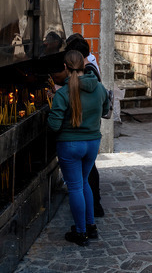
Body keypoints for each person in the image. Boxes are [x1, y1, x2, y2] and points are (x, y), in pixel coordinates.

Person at [47, 49, 109, 246]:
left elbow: (54, 125)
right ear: (84, 64)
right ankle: (90, 226)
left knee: (74, 187)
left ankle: (80, 232)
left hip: (70, 145)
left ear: (65, 68)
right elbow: (106, 110)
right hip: (92, 143)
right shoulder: (99, 88)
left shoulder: (63, 93)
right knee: (84, 184)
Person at [63, 35, 106, 218]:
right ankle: (91, 217)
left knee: (81, 183)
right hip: (91, 134)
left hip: (80, 132)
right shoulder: (91, 65)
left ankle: (86, 220)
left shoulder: (88, 72)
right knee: (85, 178)